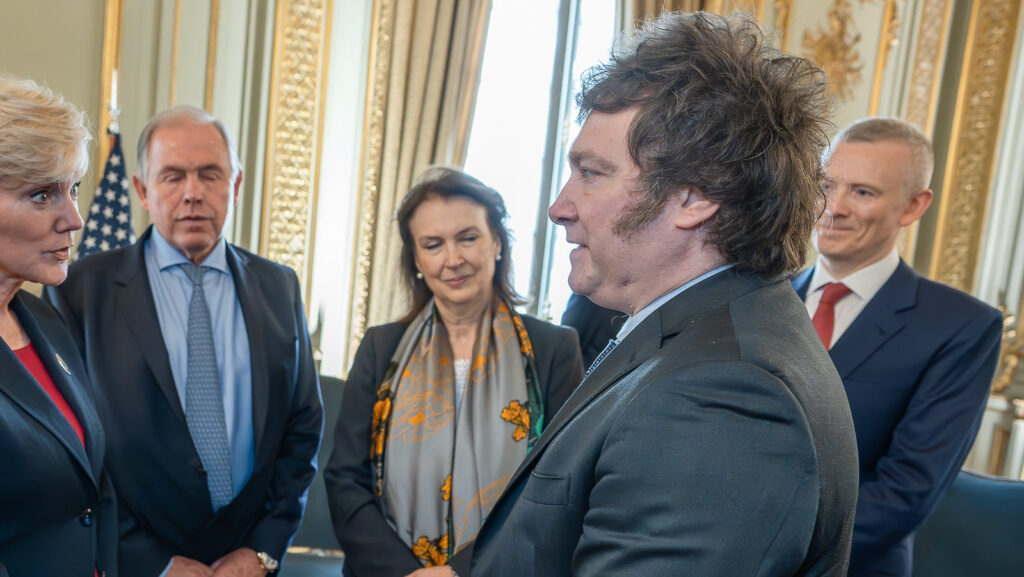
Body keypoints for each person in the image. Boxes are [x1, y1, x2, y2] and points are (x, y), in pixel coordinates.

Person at [470, 11, 860, 577]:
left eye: (592, 173)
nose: (560, 206)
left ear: (694, 198)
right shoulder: (700, 330)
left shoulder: (725, 396)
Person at [45, 105, 323, 577]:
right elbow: (68, 451)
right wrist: (153, 563)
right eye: (172, 177)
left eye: (210, 175)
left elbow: (302, 431)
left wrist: (263, 549)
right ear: (142, 190)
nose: (193, 193)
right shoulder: (79, 290)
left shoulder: (280, 287)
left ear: (235, 186)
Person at [324, 167, 584, 577]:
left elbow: (556, 488)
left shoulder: (555, 349)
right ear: (416, 260)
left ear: (496, 242)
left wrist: (459, 571)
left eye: (468, 237)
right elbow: (345, 482)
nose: (453, 259)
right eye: (433, 244)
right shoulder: (380, 348)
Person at [792, 117, 1002, 577]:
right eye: (827, 185)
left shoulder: (962, 327)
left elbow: (905, 494)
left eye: (863, 192)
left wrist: (765, 549)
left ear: (912, 206)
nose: (834, 208)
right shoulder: (760, 297)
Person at [0, 75, 117, 576]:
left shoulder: (45, 316)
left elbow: (92, 493)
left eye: (72, 190)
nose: (75, 218)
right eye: (43, 196)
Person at [560, 293, 624, 368]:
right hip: (590, 369)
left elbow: (566, 339)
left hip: (592, 369)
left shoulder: (586, 295)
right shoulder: (588, 297)